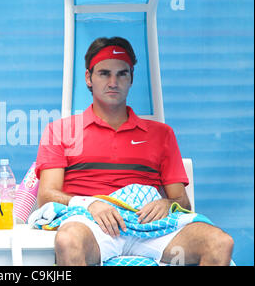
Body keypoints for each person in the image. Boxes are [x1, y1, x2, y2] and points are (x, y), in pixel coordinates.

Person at [35, 37, 234, 265]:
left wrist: (166, 203)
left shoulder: (161, 134)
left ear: (131, 79)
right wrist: (90, 204)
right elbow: (47, 196)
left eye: (122, 74)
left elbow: (182, 202)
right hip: (93, 227)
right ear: (88, 78)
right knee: (68, 240)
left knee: (220, 243)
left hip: (151, 229)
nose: (113, 82)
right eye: (104, 73)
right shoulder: (59, 130)